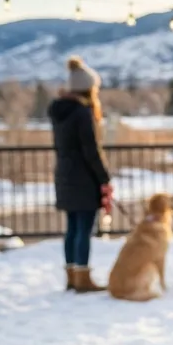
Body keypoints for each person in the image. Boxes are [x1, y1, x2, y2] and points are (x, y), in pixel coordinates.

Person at [48, 56, 111, 293]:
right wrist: (104, 178)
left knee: (72, 228)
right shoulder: (83, 113)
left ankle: (72, 276)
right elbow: (91, 151)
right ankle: (83, 277)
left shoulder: (59, 111)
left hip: (64, 174)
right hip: (84, 178)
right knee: (83, 229)